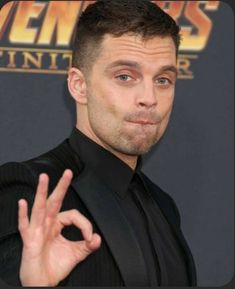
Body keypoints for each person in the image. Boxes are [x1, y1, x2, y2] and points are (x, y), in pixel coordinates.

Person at [0, 0, 197, 286]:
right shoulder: (28, 190)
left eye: (163, 80)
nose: (150, 98)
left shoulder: (164, 206)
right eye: (125, 76)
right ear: (79, 85)